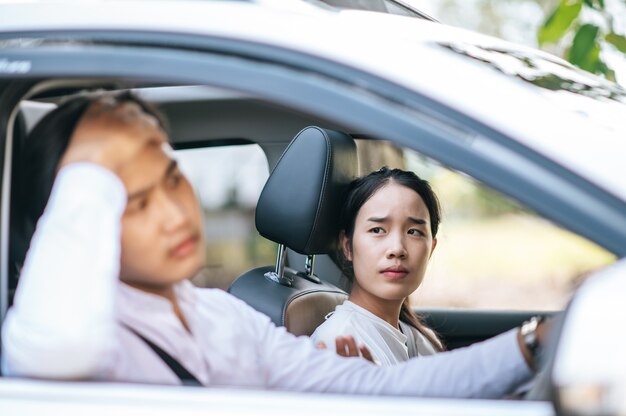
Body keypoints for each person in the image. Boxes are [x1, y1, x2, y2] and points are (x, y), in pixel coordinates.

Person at [2, 92, 541, 398]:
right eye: (130, 199)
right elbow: (55, 346)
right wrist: (91, 173)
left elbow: (378, 394)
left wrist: (533, 344)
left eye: (170, 176)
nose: (172, 213)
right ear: (77, 214)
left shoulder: (223, 316)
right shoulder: (75, 336)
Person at [311, 168, 444, 366]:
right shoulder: (339, 346)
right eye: (377, 230)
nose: (397, 249)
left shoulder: (421, 339)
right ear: (347, 246)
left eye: (414, 232)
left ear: (431, 248)